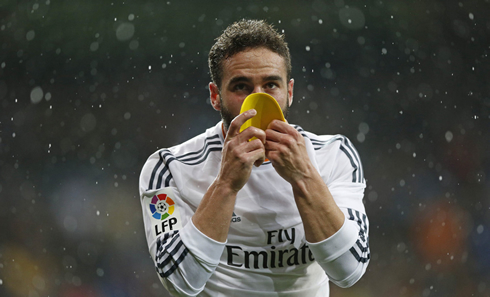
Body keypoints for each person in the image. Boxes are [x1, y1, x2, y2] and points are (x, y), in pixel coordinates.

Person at [139, 19, 369, 296]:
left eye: (271, 85)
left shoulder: (333, 155)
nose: (258, 100)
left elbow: (350, 270)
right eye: (241, 87)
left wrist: (303, 177)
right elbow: (180, 282)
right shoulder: (169, 167)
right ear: (215, 96)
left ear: (290, 92)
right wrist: (226, 184)